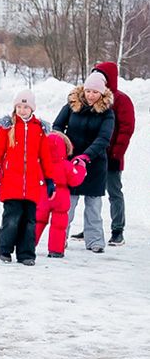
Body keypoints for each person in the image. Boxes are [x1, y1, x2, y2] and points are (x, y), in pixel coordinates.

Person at [0, 91, 52, 265]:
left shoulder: (39, 129)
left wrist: (50, 180)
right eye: (19, 106)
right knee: (12, 220)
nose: (22, 110)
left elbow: (45, 157)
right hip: (11, 183)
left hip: (32, 184)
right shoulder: (7, 127)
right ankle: (5, 250)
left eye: (26, 107)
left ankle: (26, 254)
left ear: (32, 108)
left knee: (30, 222)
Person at [52, 73, 115, 253]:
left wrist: (86, 157)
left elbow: (103, 138)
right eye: (88, 90)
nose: (90, 95)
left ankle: (94, 240)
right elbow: (57, 127)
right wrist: (65, 146)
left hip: (94, 165)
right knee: (67, 205)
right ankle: (60, 238)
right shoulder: (72, 106)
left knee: (93, 207)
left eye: (95, 92)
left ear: (102, 93)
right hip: (71, 163)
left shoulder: (107, 113)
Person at [83, 63, 134, 246]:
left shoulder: (121, 100)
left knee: (114, 192)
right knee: (91, 193)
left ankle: (117, 229)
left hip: (111, 156)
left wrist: (116, 155)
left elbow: (126, 130)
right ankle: (91, 228)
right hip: (93, 156)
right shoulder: (92, 99)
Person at [36, 131, 87, 258]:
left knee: (37, 221)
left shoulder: (40, 163)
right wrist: (81, 167)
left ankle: (28, 245)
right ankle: (56, 250)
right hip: (61, 197)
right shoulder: (66, 165)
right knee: (59, 225)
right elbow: (75, 180)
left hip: (43, 195)